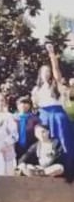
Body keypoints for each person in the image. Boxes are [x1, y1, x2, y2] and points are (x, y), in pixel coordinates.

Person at [31, 44, 74, 181]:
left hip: (57, 115)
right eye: (43, 71)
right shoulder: (36, 89)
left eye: (48, 71)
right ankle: (44, 169)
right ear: (40, 74)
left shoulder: (55, 86)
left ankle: (68, 171)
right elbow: (35, 105)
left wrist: (51, 55)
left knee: (63, 142)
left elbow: (56, 71)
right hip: (44, 116)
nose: (46, 73)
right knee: (45, 142)